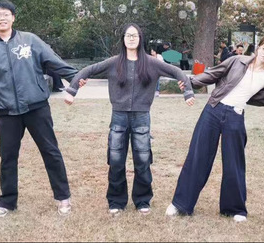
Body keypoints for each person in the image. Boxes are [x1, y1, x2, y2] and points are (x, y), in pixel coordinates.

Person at [0, 0, 78, 218]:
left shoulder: (30, 40)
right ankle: (7, 202)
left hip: (37, 108)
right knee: (8, 157)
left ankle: (63, 197)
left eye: (6, 14)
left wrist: (77, 77)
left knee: (51, 152)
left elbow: (53, 62)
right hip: (7, 112)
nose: (2, 18)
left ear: (13, 17)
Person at [165, 35, 264, 222]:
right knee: (198, 157)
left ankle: (233, 209)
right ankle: (180, 204)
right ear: (258, 48)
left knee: (234, 162)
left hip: (235, 116)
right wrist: (191, 82)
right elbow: (213, 74)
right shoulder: (237, 61)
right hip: (213, 110)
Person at [63, 23, 195, 215]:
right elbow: (87, 71)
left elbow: (178, 72)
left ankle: (142, 200)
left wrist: (188, 91)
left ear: (140, 38)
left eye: (135, 35)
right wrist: (72, 90)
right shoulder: (114, 62)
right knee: (116, 160)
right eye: (128, 35)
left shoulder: (151, 63)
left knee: (143, 160)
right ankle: (116, 201)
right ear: (123, 39)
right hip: (118, 117)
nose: (131, 38)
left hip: (142, 117)